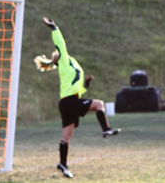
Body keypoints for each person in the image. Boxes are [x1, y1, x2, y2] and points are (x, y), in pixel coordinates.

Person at [42, 17, 121, 178]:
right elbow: (60, 43)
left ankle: (63, 164)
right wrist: (54, 28)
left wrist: (85, 86)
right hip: (69, 102)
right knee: (99, 104)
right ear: (58, 58)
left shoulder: (71, 66)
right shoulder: (64, 60)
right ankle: (106, 130)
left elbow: (76, 89)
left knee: (67, 137)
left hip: (67, 102)